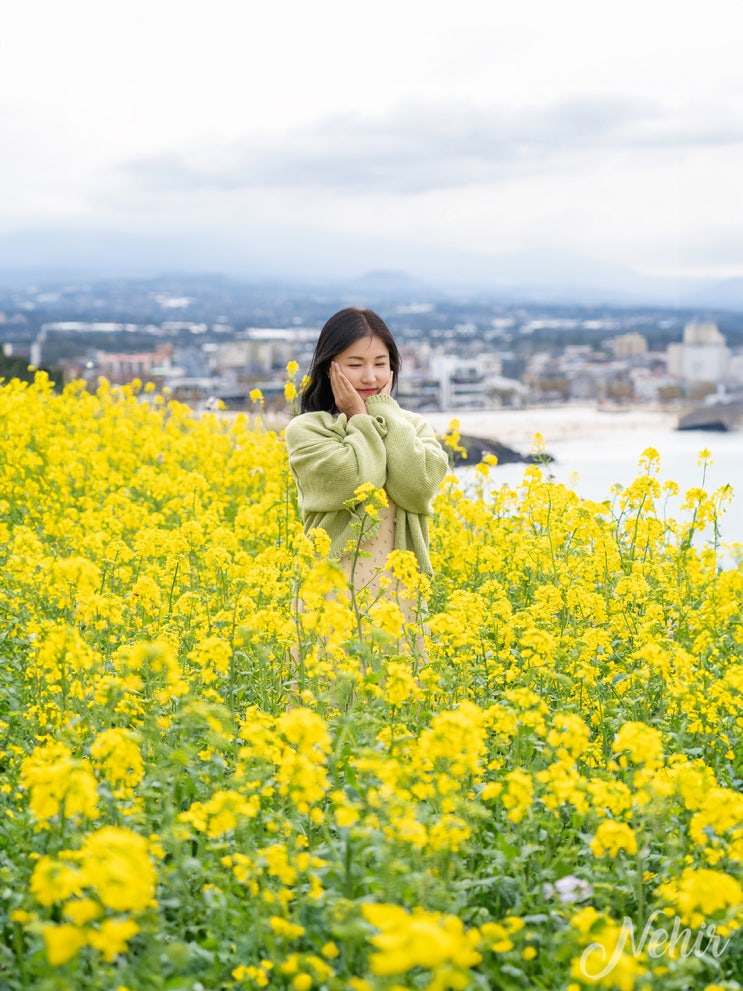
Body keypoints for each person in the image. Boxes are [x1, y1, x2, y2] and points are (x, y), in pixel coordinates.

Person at [285, 308, 448, 601]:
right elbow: (360, 483)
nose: (370, 376)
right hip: (329, 593)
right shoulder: (307, 430)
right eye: (356, 364)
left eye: (380, 363)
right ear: (329, 368)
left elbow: (418, 488)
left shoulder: (413, 426)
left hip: (401, 592)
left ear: (393, 368)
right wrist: (360, 417)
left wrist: (384, 410)